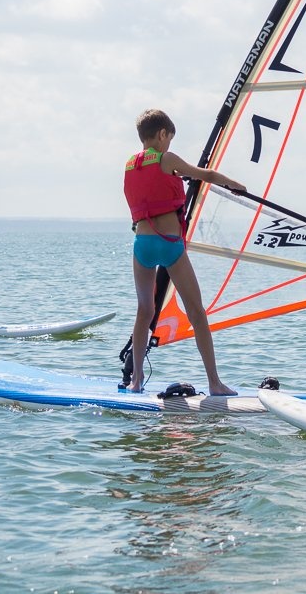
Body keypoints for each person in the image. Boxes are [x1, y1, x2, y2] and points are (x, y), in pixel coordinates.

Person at [124, 109, 243, 396]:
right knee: (196, 311)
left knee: (144, 311)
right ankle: (214, 383)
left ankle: (136, 380)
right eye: (169, 139)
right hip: (169, 245)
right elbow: (206, 174)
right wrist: (235, 185)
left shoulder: (130, 164)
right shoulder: (167, 159)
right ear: (162, 134)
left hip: (142, 246)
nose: (169, 145)